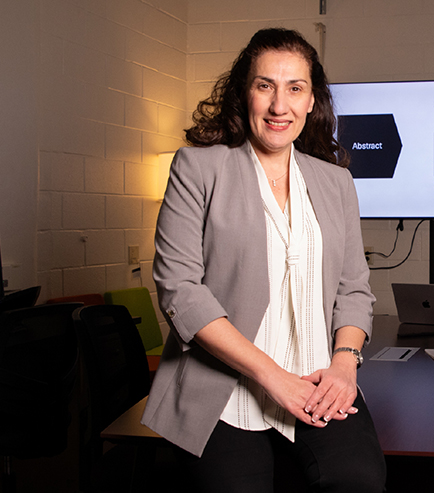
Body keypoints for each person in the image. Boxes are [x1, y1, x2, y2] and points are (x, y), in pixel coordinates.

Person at [141, 28, 386, 492]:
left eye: (295, 88)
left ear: (312, 100)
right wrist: (274, 378)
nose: (280, 106)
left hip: (318, 377)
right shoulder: (198, 169)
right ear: (243, 92)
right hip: (224, 388)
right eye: (264, 86)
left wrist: (343, 365)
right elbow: (180, 290)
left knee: (361, 479)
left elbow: (354, 288)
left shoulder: (336, 182)